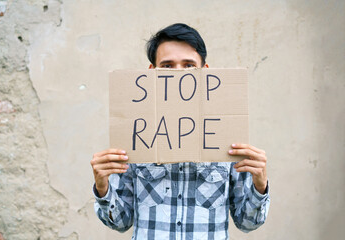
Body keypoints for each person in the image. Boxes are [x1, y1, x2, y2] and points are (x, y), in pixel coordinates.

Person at [90, 23, 270, 240]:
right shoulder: (136, 133)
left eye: (188, 65)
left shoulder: (225, 134)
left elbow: (247, 223)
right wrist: (102, 187)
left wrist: (259, 186)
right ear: (151, 73)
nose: (178, 75)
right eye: (167, 66)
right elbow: (120, 222)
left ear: (205, 72)